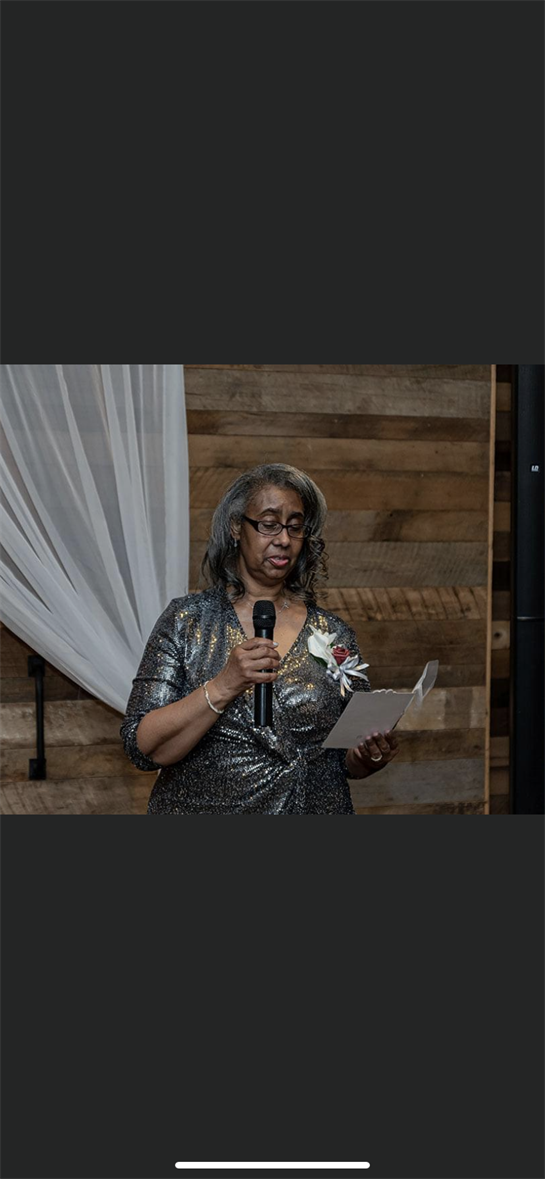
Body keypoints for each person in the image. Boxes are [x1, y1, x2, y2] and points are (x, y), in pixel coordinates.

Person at [120, 464, 399, 814]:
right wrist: (224, 685)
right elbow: (141, 747)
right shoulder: (186, 621)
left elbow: (345, 761)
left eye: (295, 527)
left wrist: (367, 757)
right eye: (269, 524)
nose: (283, 539)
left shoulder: (332, 636)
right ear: (237, 527)